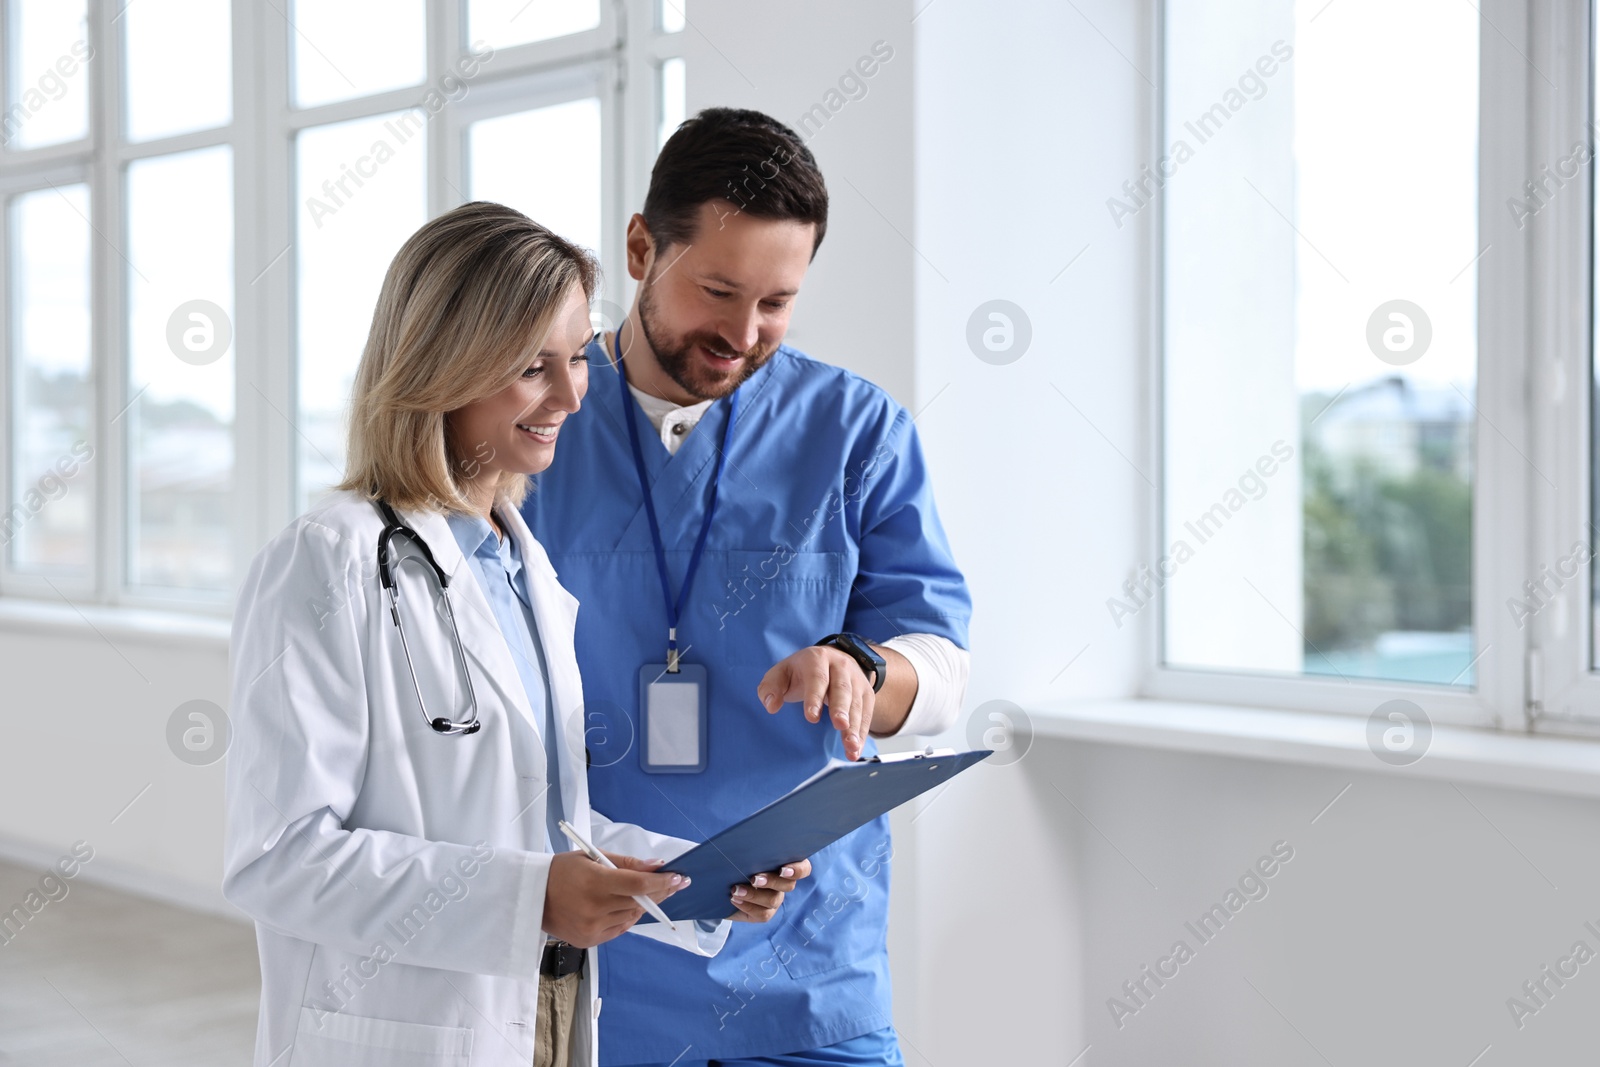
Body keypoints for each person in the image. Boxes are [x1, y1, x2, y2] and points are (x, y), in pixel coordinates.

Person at [223, 201, 810, 1067]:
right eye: (533, 367)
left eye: (576, 357)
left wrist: (699, 871)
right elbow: (279, 858)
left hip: (547, 1006)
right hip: (402, 1029)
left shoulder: (519, 563)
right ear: (442, 365)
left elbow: (542, 823)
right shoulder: (330, 559)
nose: (575, 394)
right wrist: (530, 898)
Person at [521, 110, 972, 1066]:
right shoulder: (541, 426)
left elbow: (939, 661)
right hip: (602, 965)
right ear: (643, 247)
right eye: (718, 291)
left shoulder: (854, 429)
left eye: (776, 302)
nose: (740, 334)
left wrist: (860, 665)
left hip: (811, 967)